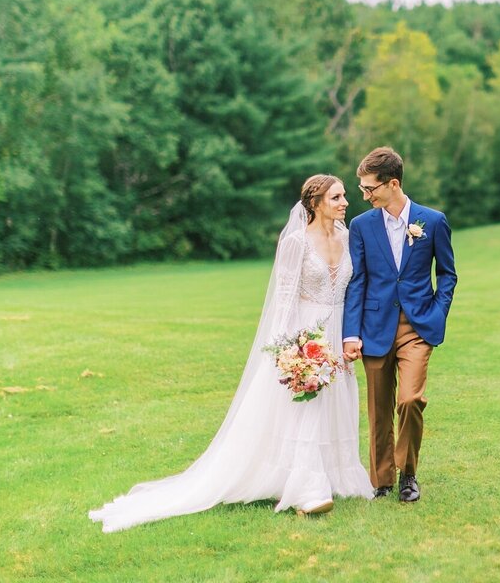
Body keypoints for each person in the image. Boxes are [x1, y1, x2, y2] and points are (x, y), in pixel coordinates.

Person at [89, 175, 373, 532]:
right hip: (304, 333)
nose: (345, 201)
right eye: (336, 196)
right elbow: (284, 299)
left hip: (337, 333)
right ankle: (306, 486)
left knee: (336, 401)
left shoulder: (348, 239)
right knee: (307, 405)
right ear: (315, 203)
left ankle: (339, 477)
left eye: (345, 195)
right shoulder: (296, 242)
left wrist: (351, 334)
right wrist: (287, 351)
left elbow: (355, 289)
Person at [342, 147, 457, 503]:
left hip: (417, 327)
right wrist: (351, 333)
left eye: (369, 188)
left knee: (409, 400)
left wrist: (437, 313)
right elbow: (357, 280)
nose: (364, 195)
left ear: (393, 184)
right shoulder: (360, 226)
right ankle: (382, 480)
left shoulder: (432, 221)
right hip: (374, 326)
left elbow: (447, 275)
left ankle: (408, 475)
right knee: (378, 410)